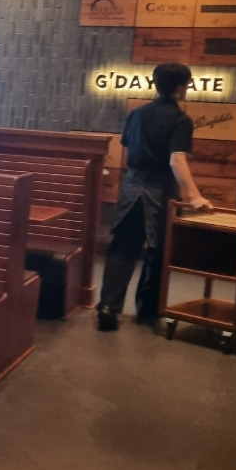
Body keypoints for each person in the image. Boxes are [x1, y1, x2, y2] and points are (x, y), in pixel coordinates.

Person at [97, 61, 212, 331]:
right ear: (179, 88)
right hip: (161, 191)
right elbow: (176, 161)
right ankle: (148, 310)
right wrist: (195, 197)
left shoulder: (136, 114)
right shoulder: (181, 120)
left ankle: (107, 307)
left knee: (122, 248)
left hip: (131, 187)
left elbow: (127, 151)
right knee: (157, 251)